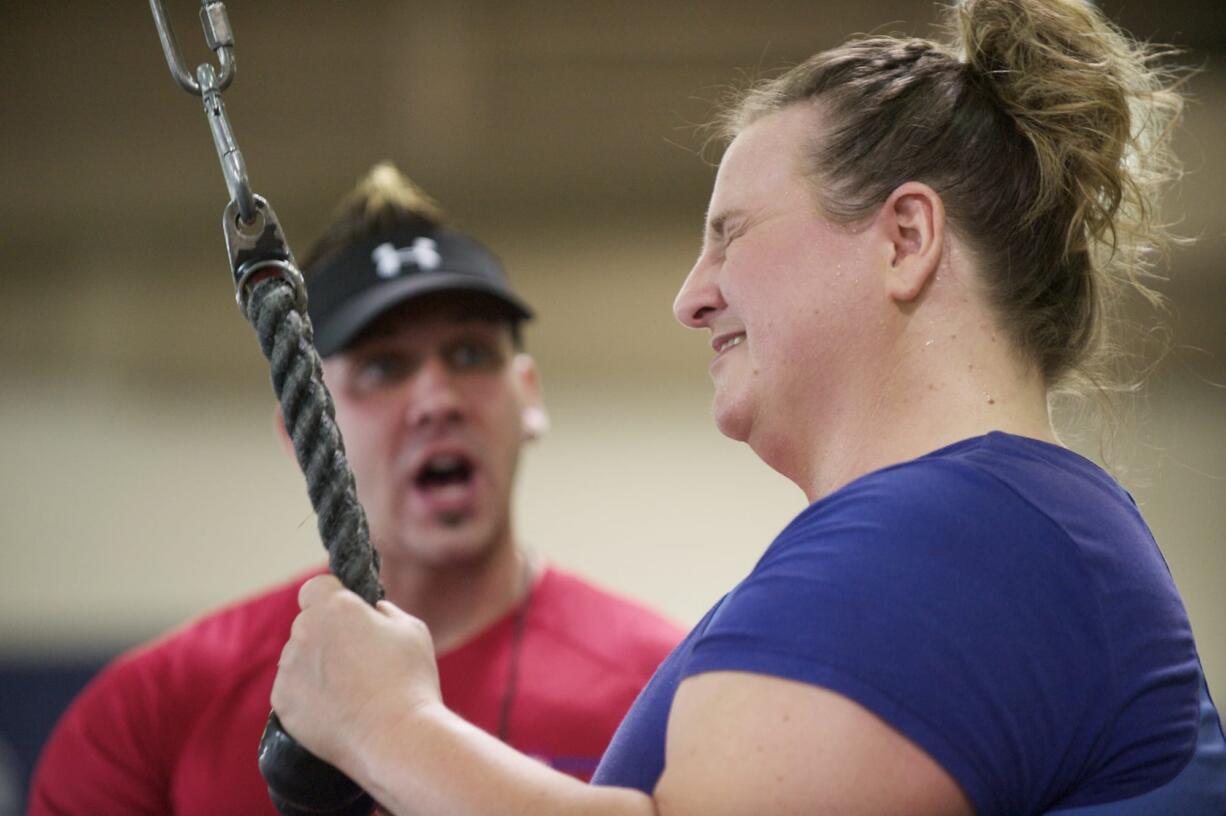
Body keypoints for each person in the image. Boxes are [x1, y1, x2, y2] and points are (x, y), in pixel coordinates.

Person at [266, 1, 1226, 814]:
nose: (691, 296)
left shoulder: (960, 535)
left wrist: (391, 727)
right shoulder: (968, 534)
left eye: (730, 236)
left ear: (904, 239)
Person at [28, 164, 683, 815]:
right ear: (301, 430)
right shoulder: (152, 708)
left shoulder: (668, 687)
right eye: (382, 366)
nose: (437, 398)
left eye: (470, 354)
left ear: (530, 398)